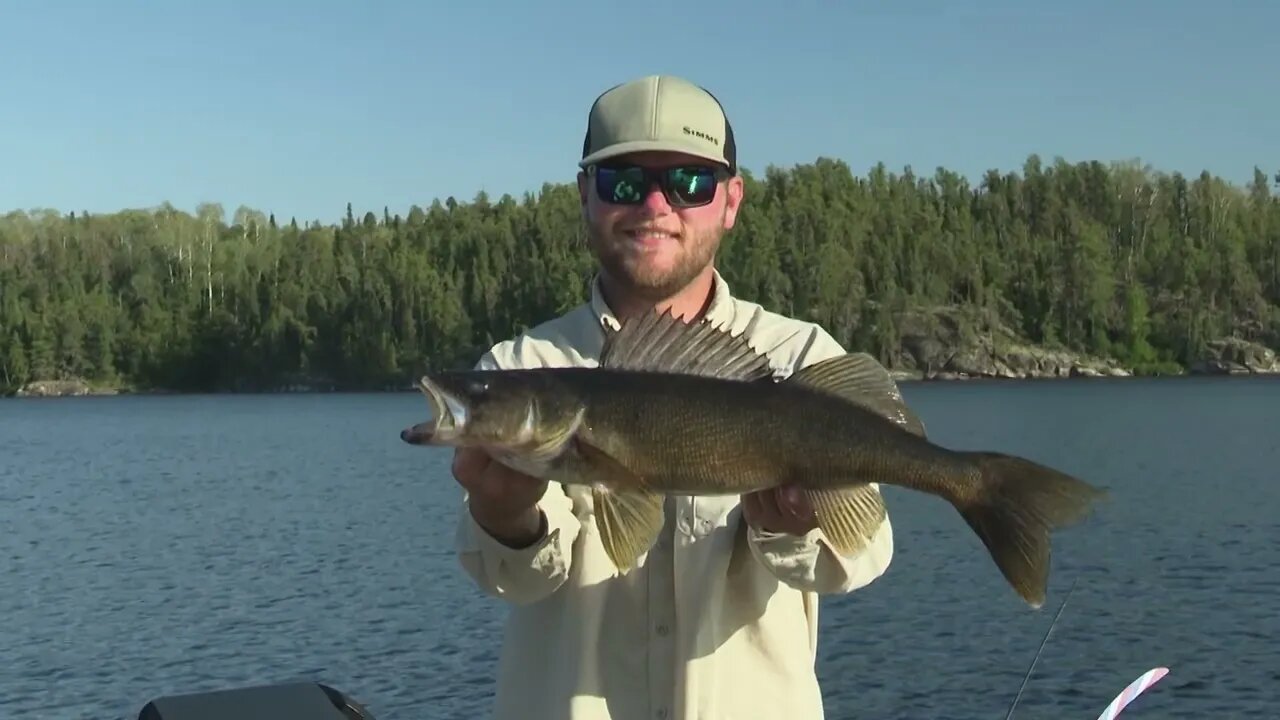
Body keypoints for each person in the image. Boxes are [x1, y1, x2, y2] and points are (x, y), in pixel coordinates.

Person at [451, 74, 902, 720]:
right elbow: (514, 580)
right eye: (622, 182)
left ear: (731, 200)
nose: (655, 206)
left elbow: (861, 556)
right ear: (585, 195)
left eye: (690, 182)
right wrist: (505, 521)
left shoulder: (802, 361)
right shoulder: (522, 371)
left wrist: (798, 526)